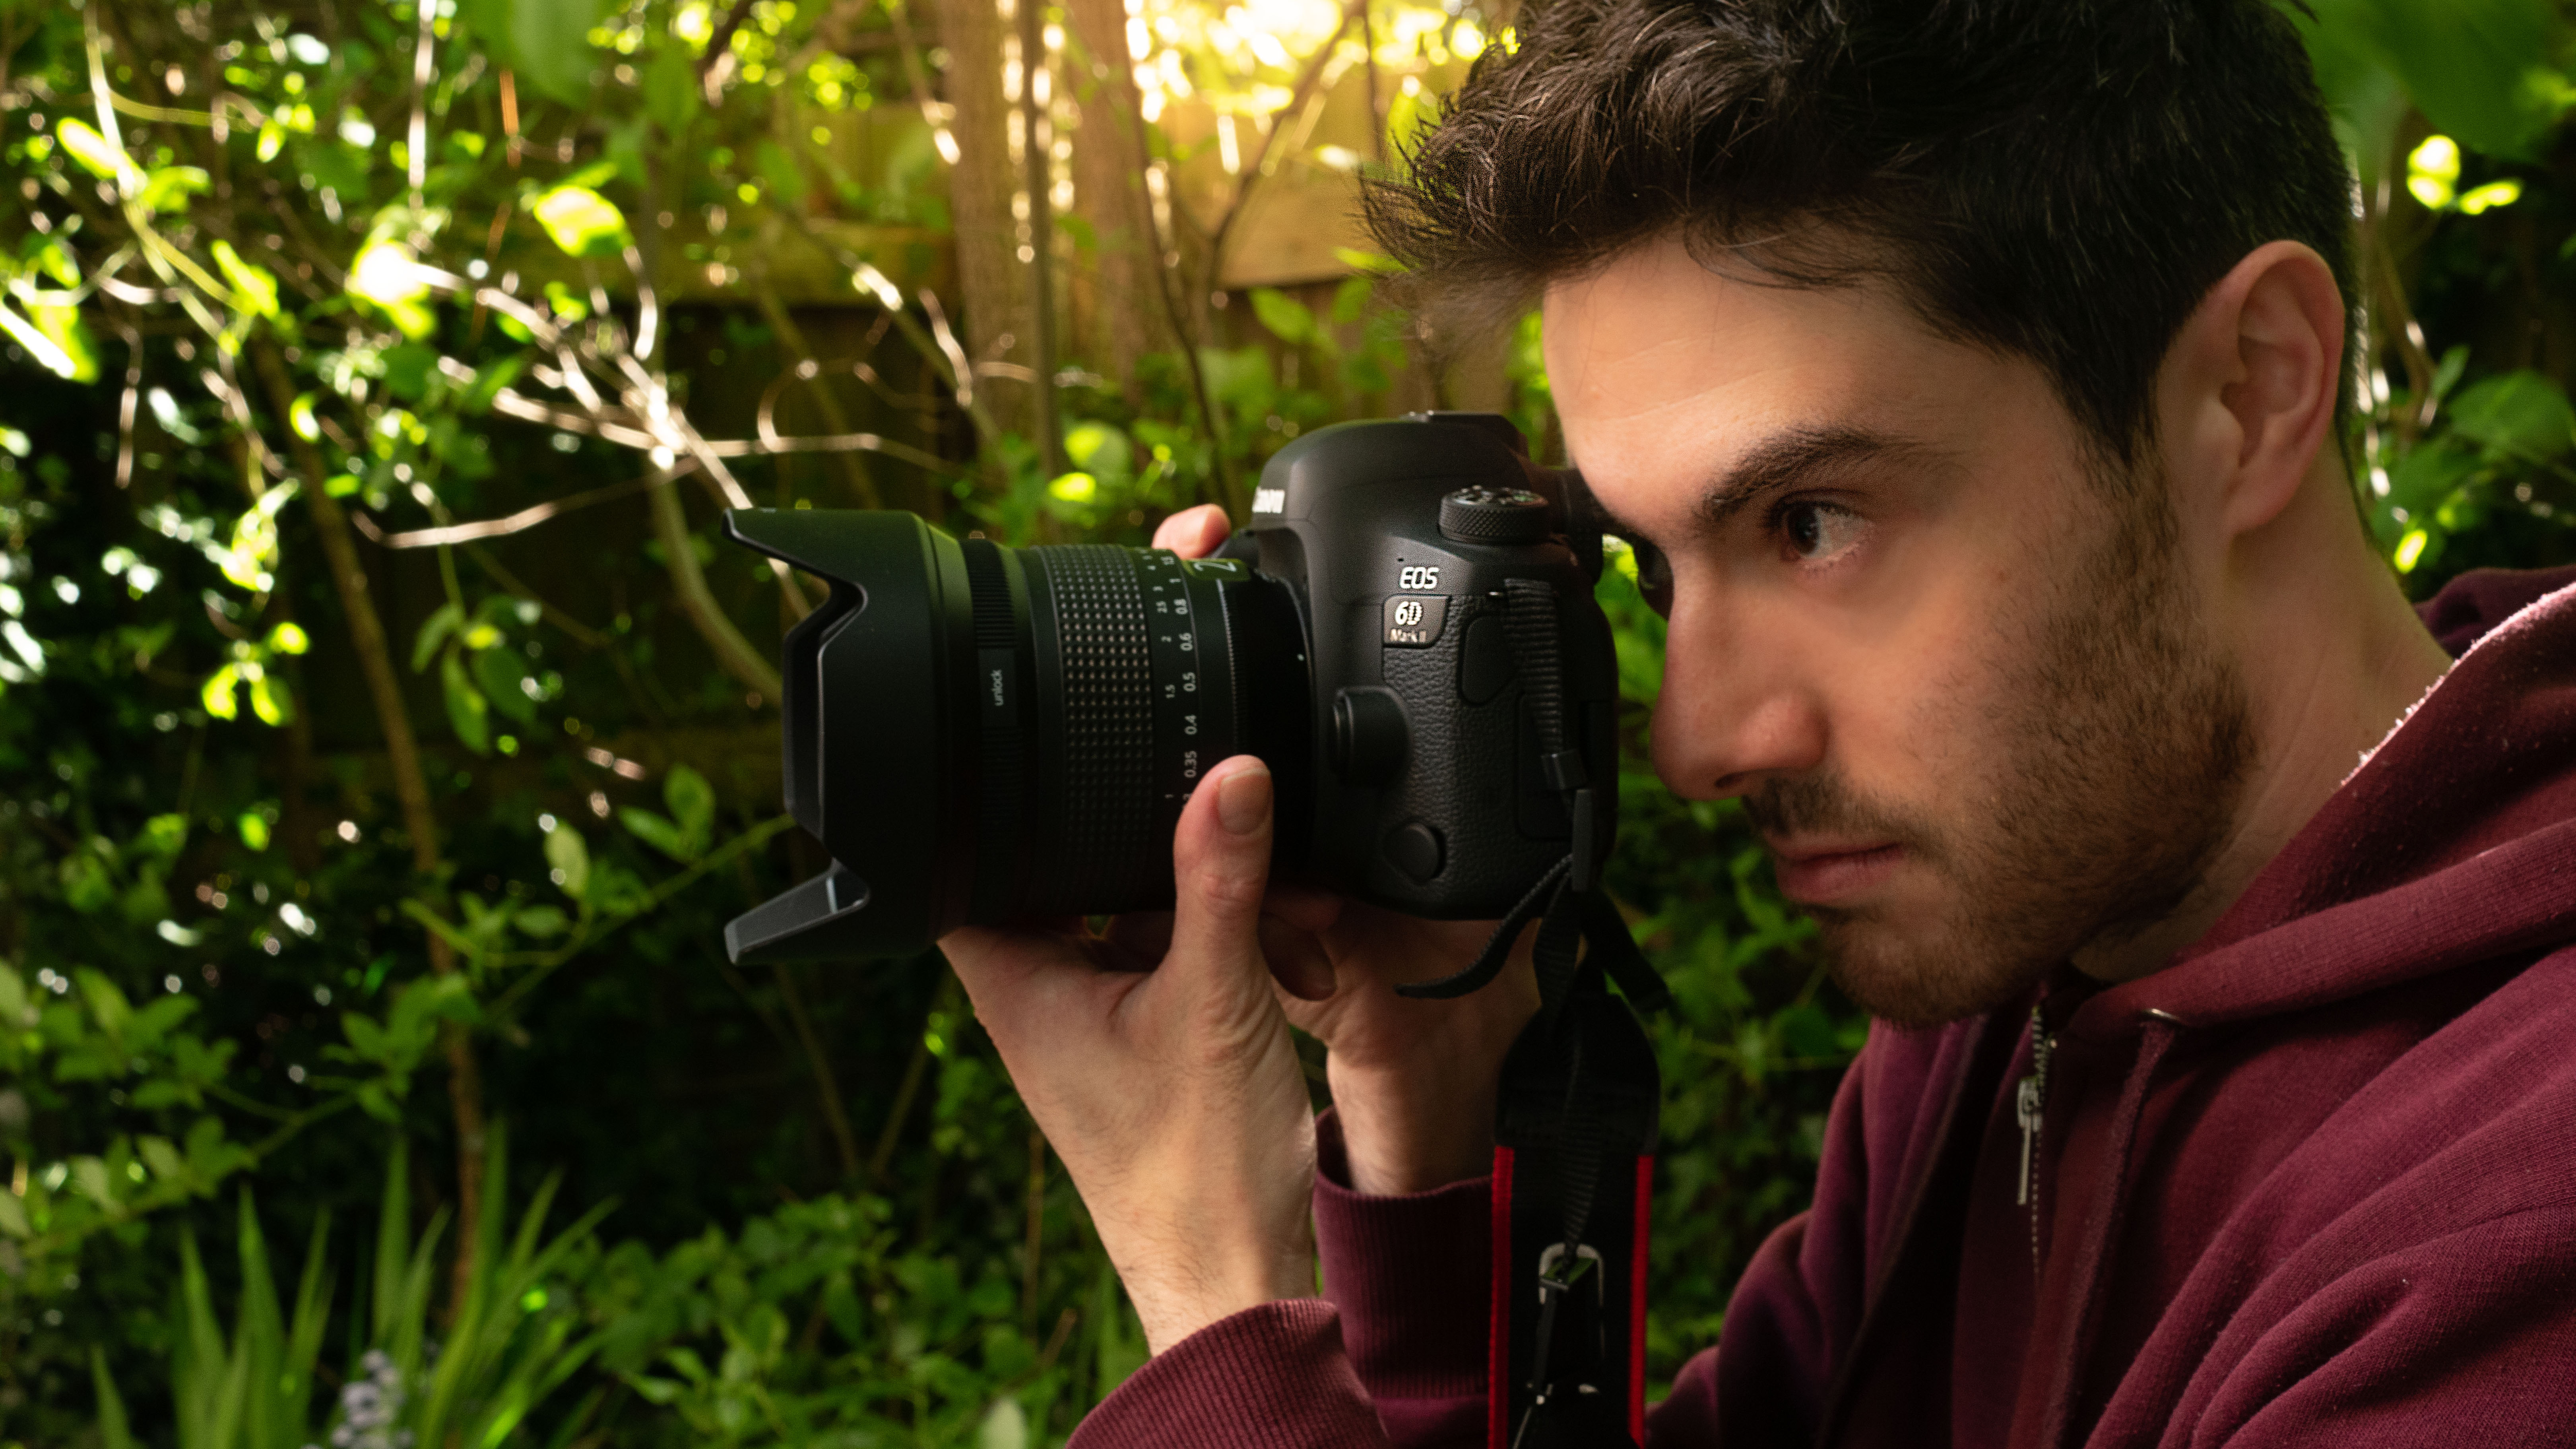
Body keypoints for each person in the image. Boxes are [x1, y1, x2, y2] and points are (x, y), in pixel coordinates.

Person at [942, 0, 2576, 1442]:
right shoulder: (2016, 995)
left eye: (1812, 523)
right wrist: (1431, 1103)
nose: (1697, 742)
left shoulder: (2512, 1238)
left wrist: (1224, 1304)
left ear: (2251, 392)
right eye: (1654, 566)